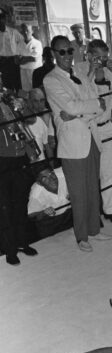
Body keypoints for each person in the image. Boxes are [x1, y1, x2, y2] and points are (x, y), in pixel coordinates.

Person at [43, 35, 111, 252]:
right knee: (79, 192)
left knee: (93, 187)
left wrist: (82, 110)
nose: (66, 56)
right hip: (72, 143)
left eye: (69, 51)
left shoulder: (79, 73)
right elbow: (72, 106)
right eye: (61, 52)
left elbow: (96, 105)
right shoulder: (51, 79)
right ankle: (82, 236)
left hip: (91, 137)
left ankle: (94, 229)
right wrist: (86, 108)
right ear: (53, 54)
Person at [74, 39, 112, 224]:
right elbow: (79, 90)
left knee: (109, 170)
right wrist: (92, 70)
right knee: (90, 173)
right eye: (98, 57)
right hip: (87, 126)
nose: (101, 60)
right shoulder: (78, 69)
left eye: (104, 57)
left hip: (106, 125)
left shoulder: (110, 68)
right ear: (89, 55)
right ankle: (93, 212)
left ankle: (110, 209)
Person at [0, 90, 38, 265]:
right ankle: (9, 249)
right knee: (5, 207)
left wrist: (22, 107)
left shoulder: (9, 99)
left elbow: (31, 119)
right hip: (3, 160)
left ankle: (22, 242)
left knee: (21, 201)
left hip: (20, 156)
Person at [0, 6, 24, 90]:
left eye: (2, 19)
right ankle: (10, 102)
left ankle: (20, 101)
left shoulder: (13, 32)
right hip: (2, 61)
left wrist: (19, 54)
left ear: (5, 20)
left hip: (13, 60)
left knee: (17, 83)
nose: (0, 21)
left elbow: (22, 42)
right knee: (6, 85)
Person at [18, 23, 42, 92]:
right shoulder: (19, 43)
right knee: (26, 91)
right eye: (23, 31)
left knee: (36, 92)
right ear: (21, 32)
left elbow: (34, 58)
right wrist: (27, 58)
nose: (25, 33)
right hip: (23, 72)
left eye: (27, 30)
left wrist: (22, 59)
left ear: (32, 31)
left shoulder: (37, 43)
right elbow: (16, 60)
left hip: (34, 71)